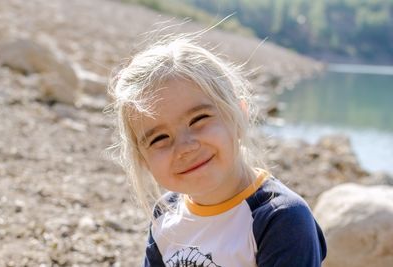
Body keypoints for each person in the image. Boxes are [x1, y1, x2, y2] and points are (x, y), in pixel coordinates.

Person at [108, 34, 327, 267]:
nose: (185, 147)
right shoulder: (165, 215)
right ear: (142, 159)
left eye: (199, 119)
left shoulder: (280, 218)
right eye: (159, 138)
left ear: (239, 114)